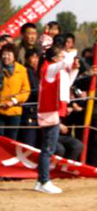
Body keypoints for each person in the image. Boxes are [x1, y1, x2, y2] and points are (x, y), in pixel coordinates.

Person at [34, 45, 78, 194]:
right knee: (48, 149)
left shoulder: (56, 71)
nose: (63, 58)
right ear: (54, 59)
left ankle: (41, 180)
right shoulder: (49, 69)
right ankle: (44, 180)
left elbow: (68, 82)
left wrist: (75, 69)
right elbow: (65, 63)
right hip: (49, 112)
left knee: (48, 148)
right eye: (61, 56)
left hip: (53, 112)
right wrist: (71, 55)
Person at [0, 45, 31, 141]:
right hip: (0, 110)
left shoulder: (21, 70)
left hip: (14, 110)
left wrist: (14, 101)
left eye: (9, 54)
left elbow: (26, 90)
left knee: (11, 140)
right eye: (4, 54)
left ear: (15, 56)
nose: (6, 56)